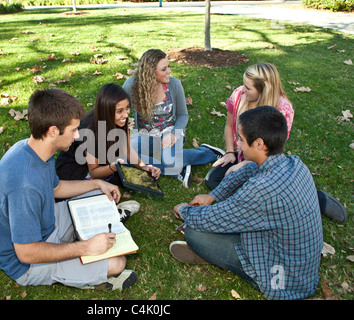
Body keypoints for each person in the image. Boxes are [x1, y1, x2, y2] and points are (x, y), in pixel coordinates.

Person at [0, 88, 137, 290]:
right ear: (53, 131)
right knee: (118, 263)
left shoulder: (36, 149)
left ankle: (94, 225)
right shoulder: (24, 185)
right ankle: (88, 267)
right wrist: (85, 247)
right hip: (29, 262)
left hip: (46, 221)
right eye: (73, 130)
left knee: (98, 194)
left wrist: (97, 183)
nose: (77, 136)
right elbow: (27, 252)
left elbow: (56, 188)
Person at [169, 106, 324, 300]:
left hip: (281, 279)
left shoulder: (262, 190)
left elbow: (213, 218)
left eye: (241, 139)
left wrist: (183, 210)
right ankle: (214, 254)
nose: (239, 145)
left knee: (194, 232)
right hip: (298, 268)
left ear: (259, 144)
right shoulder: (293, 163)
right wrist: (212, 196)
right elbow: (249, 170)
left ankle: (216, 257)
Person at [205, 62, 346, 222]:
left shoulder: (282, 110)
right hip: (242, 153)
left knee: (256, 191)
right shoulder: (239, 95)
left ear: (263, 89)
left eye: (248, 88)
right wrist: (230, 153)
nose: (243, 90)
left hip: (265, 162)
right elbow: (229, 125)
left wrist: (244, 166)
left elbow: (269, 153)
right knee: (213, 180)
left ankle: (315, 197)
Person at [55, 83, 161, 222]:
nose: (126, 114)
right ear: (107, 110)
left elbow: (127, 149)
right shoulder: (91, 130)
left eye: (127, 108)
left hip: (102, 163)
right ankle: (110, 213)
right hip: (75, 169)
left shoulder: (121, 120)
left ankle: (105, 206)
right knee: (107, 186)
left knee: (121, 179)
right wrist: (113, 166)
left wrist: (144, 167)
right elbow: (94, 172)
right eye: (120, 111)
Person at [122, 49, 224, 188]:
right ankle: (176, 167)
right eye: (164, 69)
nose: (169, 71)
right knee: (121, 153)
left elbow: (183, 115)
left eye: (168, 66)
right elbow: (120, 110)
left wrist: (174, 133)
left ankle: (207, 152)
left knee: (170, 162)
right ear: (150, 72)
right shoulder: (131, 86)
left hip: (169, 131)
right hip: (145, 134)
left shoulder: (174, 84)